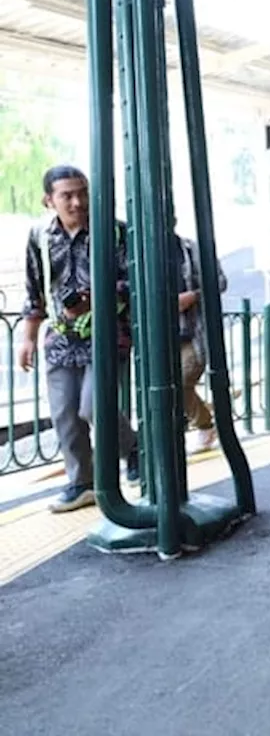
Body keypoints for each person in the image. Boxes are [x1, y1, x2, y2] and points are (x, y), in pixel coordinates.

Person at [20, 165, 137, 512]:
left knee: (93, 406)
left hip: (107, 332)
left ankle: (133, 448)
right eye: (67, 195)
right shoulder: (40, 236)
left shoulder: (113, 232)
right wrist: (27, 338)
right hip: (59, 338)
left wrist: (97, 297)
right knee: (65, 415)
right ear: (49, 201)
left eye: (82, 192)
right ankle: (82, 483)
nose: (78, 201)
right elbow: (34, 290)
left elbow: (133, 281)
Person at [173, 231, 227, 453]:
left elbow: (220, 282)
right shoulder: (139, 251)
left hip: (193, 332)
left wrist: (193, 296)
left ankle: (205, 423)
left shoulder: (190, 249)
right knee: (167, 387)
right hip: (162, 335)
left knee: (181, 382)